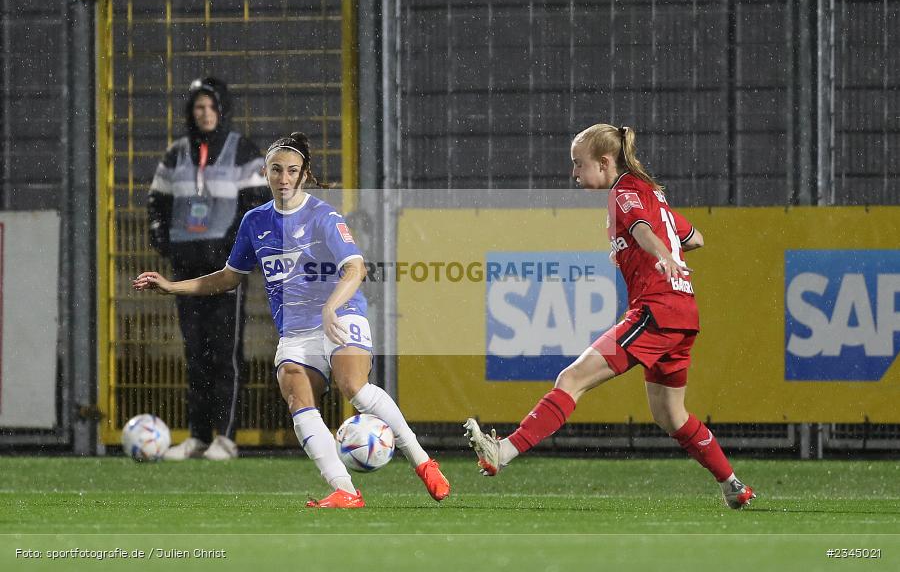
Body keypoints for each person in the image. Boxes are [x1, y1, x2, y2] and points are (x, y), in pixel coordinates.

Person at [135, 132, 451, 508]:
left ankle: (422, 461)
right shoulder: (255, 222)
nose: (284, 178)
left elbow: (356, 268)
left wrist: (331, 306)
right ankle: (345, 490)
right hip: (296, 332)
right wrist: (172, 287)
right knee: (297, 396)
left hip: (340, 313)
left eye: (292, 171)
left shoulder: (323, 215)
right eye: (276, 170)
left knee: (354, 387)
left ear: (304, 175)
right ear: (266, 173)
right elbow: (227, 277)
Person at [464, 124, 756, 510]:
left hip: (657, 308)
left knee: (572, 378)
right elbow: (695, 237)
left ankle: (505, 451)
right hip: (684, 313)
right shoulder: (652, 193)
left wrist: (659, 255)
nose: (574, 174)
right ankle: (733, 485)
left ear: (604, 163)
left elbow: (641, 229)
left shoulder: (624, 191)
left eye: (578, 164)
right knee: (670, 415)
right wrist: (656, 250)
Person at [146, 77, 268, 461]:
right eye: (199, 107)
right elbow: (157, 201)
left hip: (225, 269)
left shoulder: (241, 149)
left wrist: (231, 245)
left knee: (225, 352)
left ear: (222, 109)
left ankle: (226, 437)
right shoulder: (176, 152)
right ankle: (198, 436)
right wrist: (161, 238)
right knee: (195, 352)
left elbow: (256, 202)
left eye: (212, 107)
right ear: (191, 112)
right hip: (185, 267)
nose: (205, 114)